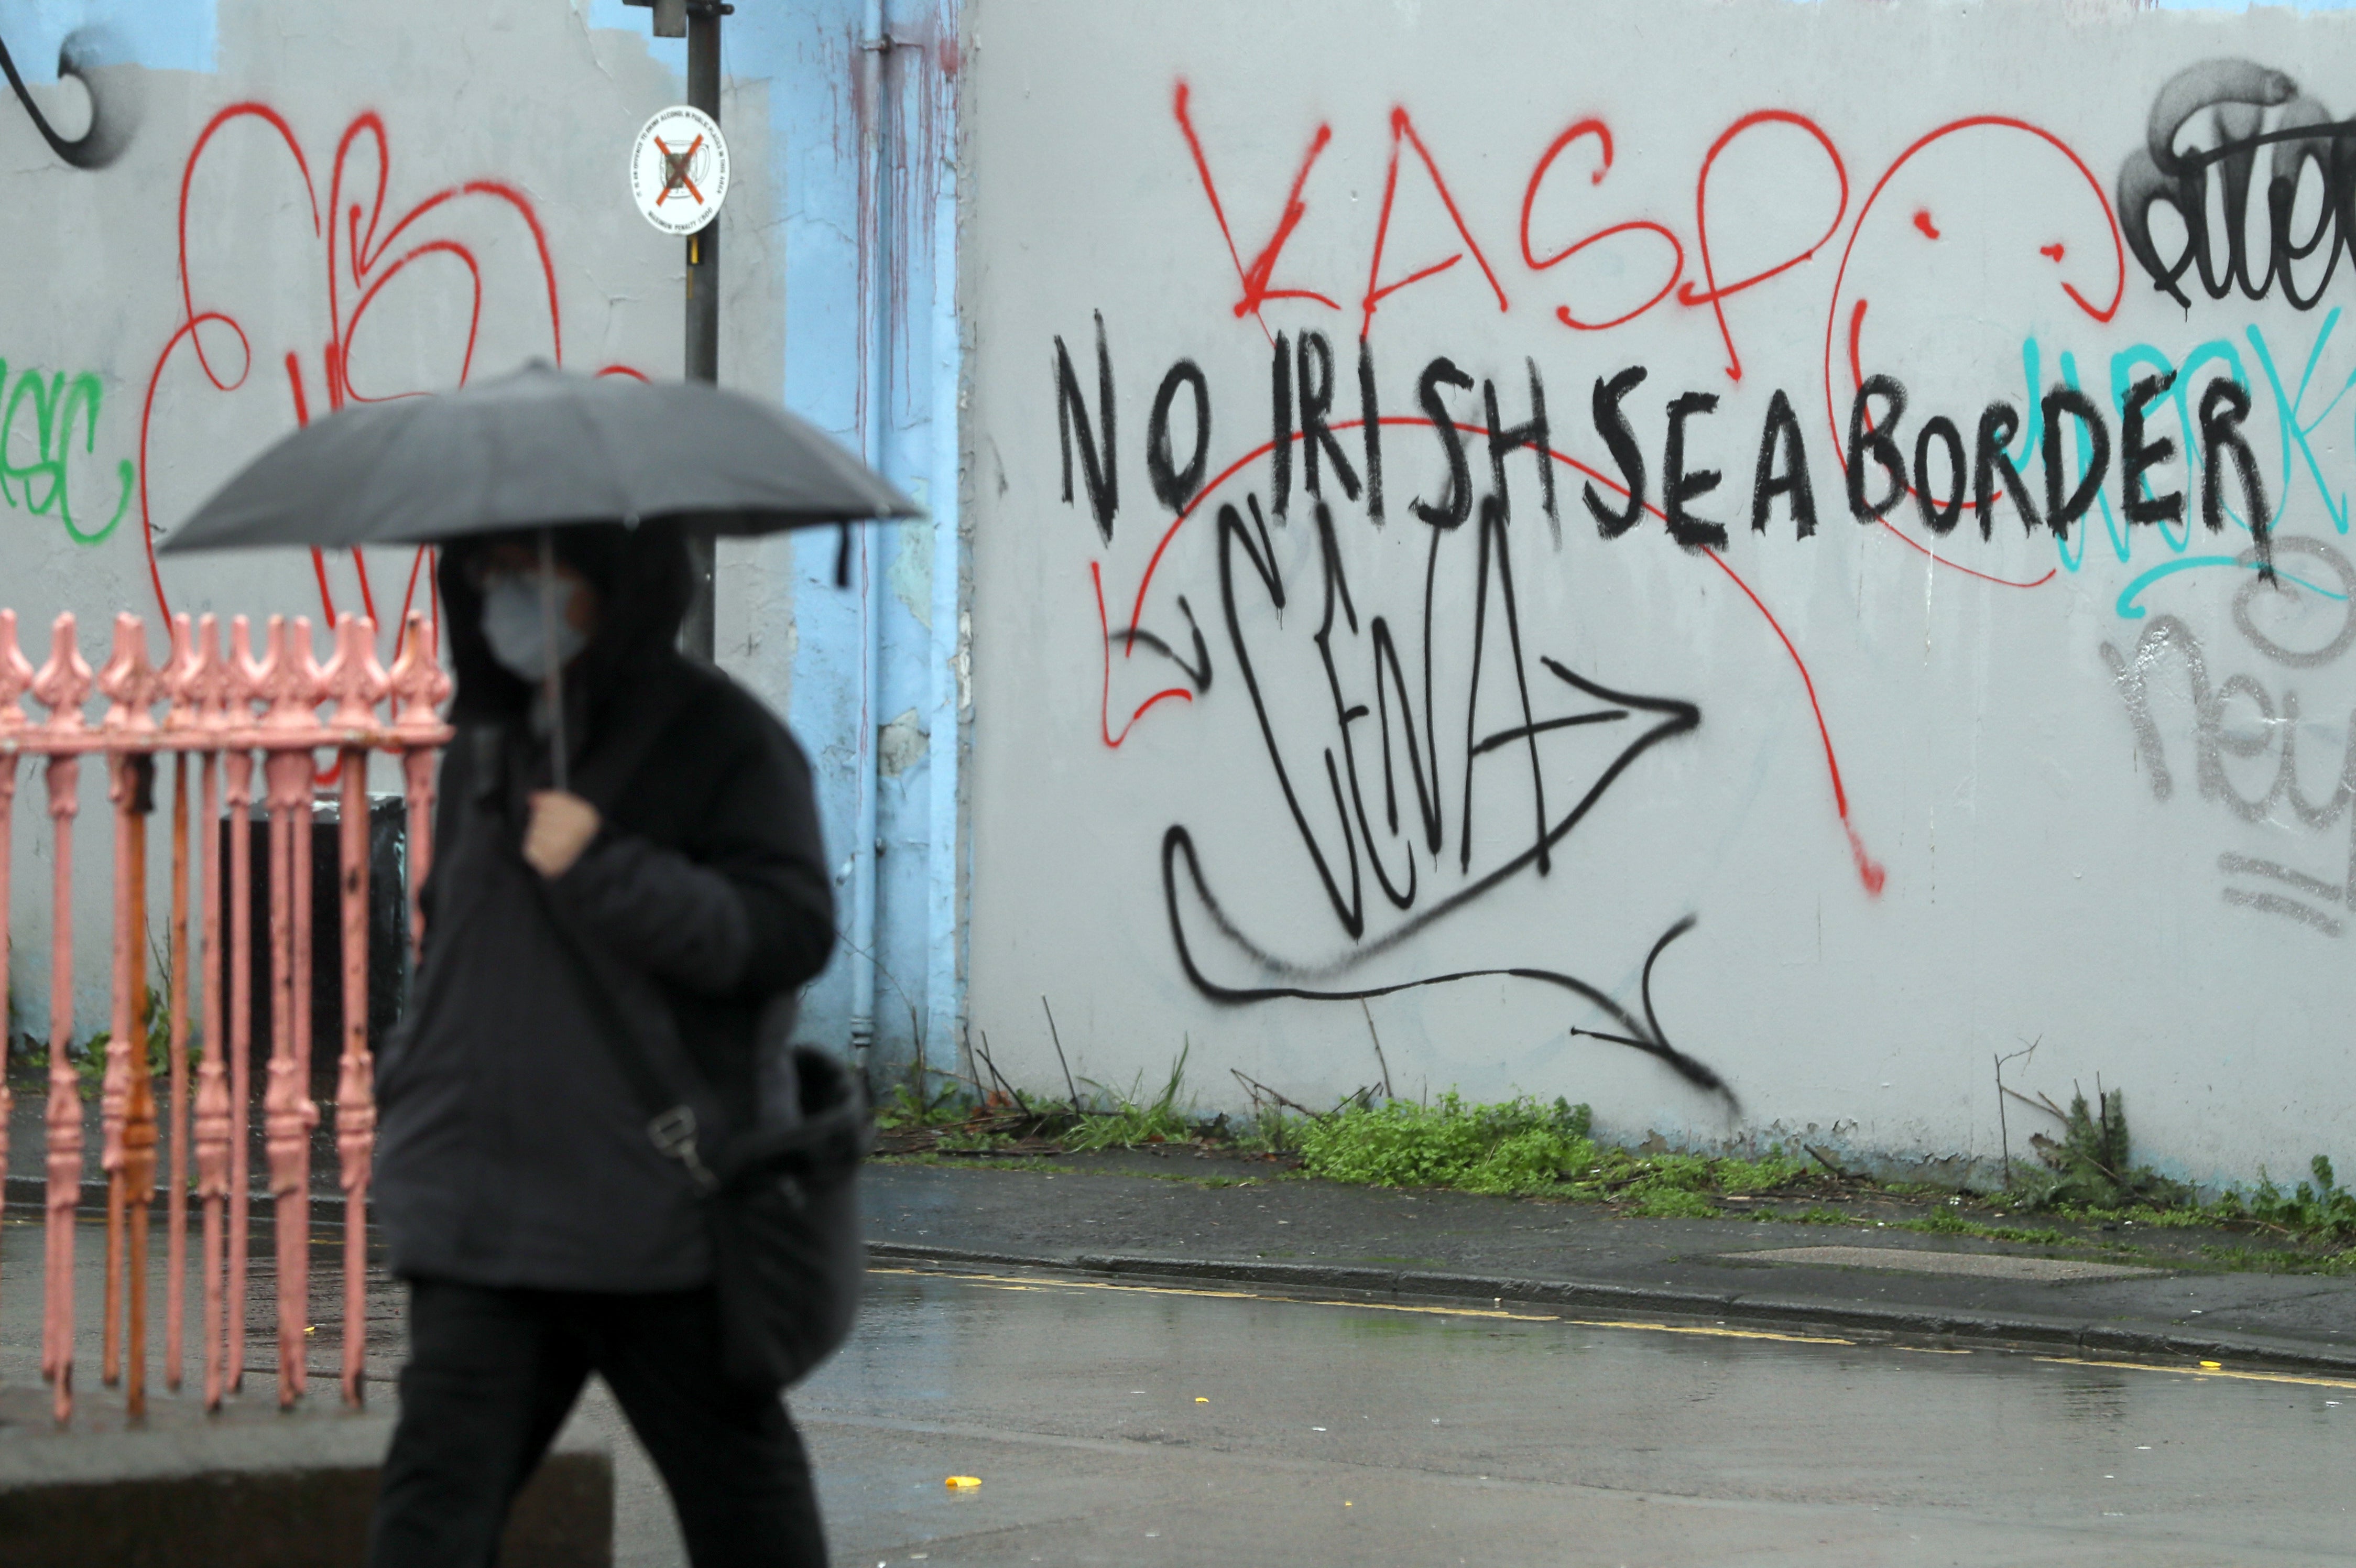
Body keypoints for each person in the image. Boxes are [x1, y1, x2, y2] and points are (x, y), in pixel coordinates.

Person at [367, 523, 838, 1567]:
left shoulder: (723, 741)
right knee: (431, 1514)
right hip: (484, 1217)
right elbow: (465, 948)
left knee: (745, 1506)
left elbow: (785, 931)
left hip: (655, 1215)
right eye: (485, 574)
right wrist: (416, 1094)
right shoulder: (492, 735)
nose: (506, 599)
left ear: (614, 583)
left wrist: (607, 865)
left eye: (535, 571)